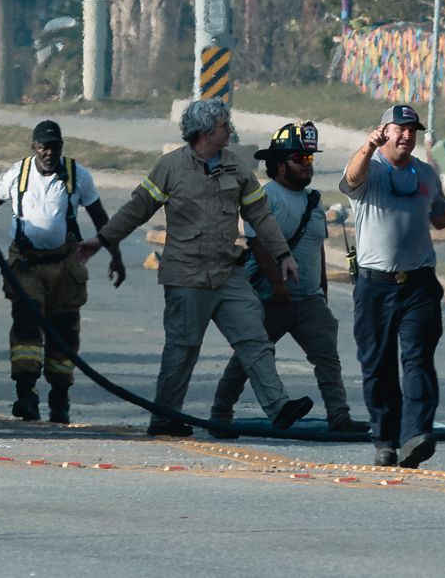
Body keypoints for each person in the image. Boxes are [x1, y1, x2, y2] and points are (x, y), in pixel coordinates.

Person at [78, 99, 314, 437]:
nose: (229, 130)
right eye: (223, 126)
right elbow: (137, 209)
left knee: (254, 338)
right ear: (204, 132)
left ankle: (278, 407)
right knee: (183, 348)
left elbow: (259, 214)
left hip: (226, 272)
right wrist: (101, 240)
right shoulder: (170, 167)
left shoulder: (236, 166)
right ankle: (164, 416)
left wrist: (283, 255)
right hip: (186, 275)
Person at [0, 120, 125, 424]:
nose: (49, 152)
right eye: (43, 146)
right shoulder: (17, 174)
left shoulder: (77, 175)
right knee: (27, 329)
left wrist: (116, 256)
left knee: (64, 333)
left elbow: (101, 218)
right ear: (34, 146)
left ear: (61, 146)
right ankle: (26, 395)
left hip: (65, 267)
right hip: (26, 265)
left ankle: (59, 400)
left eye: (54, 145)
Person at [341, 104, 445, 468]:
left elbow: (441, 217)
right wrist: (366, 147)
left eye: (411, 130)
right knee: (377, 366)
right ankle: (385, 439)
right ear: (383, 130)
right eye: (398, 128)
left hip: (418, 284)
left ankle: (416, 435)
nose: (406, 135)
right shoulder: (369, 169)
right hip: (375, 285)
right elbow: (351, 179)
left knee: (418, 360)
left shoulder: (425, 174)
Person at [209, 122, 370, 438]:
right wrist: (279, 286)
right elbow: (259, 243)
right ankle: (220, 416)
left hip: (309, 299)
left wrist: (322, 290)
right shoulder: (267, 197)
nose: (307, 165)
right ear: (280, 163)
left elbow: (317, 249)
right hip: (272, 297)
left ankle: (339, 417)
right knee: (249, 358)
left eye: (310, 159)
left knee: (328, 361)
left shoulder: (313, 201)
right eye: (301, 158)